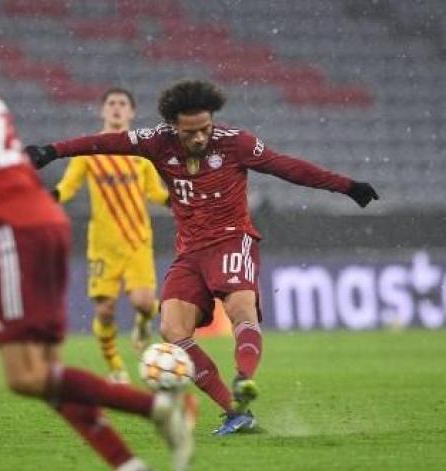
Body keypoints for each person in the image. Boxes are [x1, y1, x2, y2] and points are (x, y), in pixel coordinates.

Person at [0, 7, 196, 471]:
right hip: (46, 222)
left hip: (13, 227)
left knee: (23, 375)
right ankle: (129, 466)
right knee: (49, 374)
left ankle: (157, 408)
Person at [26, 80, 379, 435]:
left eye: (205, 129)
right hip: (190, 252)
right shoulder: (156, 141)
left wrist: (347, 186)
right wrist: (52, 151)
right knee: (171, 328)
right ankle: (236, 412)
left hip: (231, 239)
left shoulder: (235, 142)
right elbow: (102, 144)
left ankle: (244, 378)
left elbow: (288, 166)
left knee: (240, 308)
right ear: (173, 125)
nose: (199, 138)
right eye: (190, 132)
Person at [53, 87, 168, 383]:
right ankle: (116, 367)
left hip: (137, 242)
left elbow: (155, 192)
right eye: (111, 104)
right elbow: (68, 187)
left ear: (131, 112)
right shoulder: (89, 152)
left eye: (122, 104)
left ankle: (143, 323)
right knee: (105, 311)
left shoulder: (142, 154)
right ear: (102, 111)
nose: (117, 108)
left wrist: (178, 200)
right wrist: (49, 197)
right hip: (103, 246)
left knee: (144, 303)